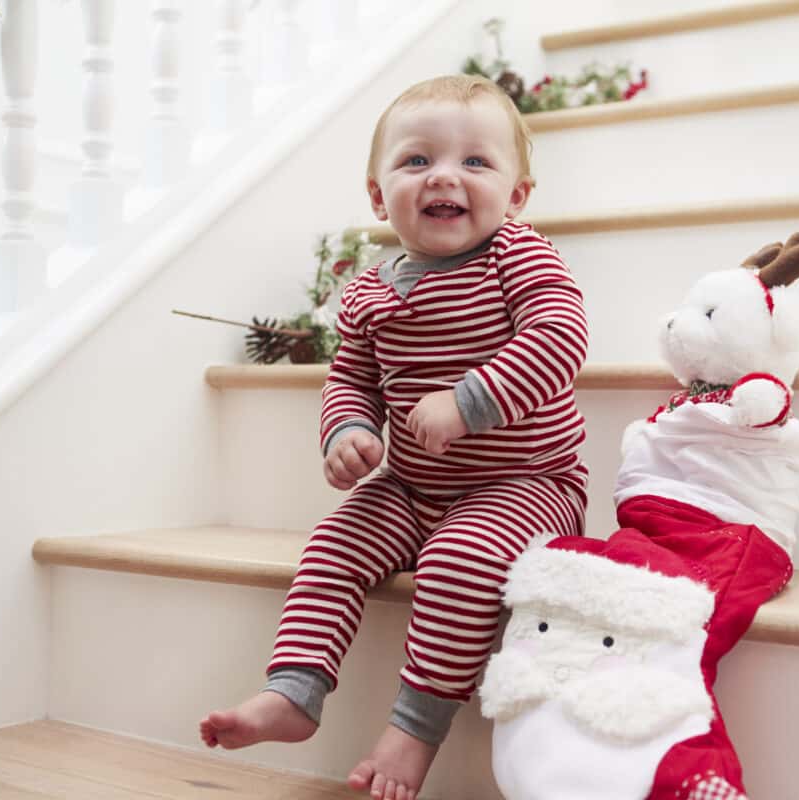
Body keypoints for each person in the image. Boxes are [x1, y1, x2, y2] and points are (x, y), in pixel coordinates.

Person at [199, 74, 589, 800]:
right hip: (410, 487)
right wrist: (346, 431)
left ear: (518, 195)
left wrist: (469, 402)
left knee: (457, 560)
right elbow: (352, 378)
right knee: (333, 543)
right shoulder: (372, 289)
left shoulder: (519, 256)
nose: (445, 175)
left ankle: (414, 729)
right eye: (417, 161)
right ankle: (295, 690)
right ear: (379, 197)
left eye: (476, 162)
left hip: (527, 484)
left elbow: (560, 337)